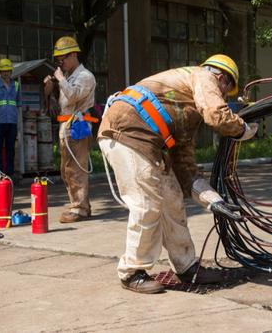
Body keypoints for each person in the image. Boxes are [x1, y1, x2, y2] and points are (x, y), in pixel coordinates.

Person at [97, 54, 258, 294]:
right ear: (222, 79)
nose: (223, 96)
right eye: (225, 91)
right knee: (146, 204)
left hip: (149, 143)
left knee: (172, 200)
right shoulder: (203, 76)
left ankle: (186, 266)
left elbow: (186, 170)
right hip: (127, 132)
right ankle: (132, 272)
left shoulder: (184, 110)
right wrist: (242, 130)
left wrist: (214, 202)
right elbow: (216, 113)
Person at [44, 36, 96, 223]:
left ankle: (80, 208)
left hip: (77, 126)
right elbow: (60, 104)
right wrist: (50, 89)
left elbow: (73, 96)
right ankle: (80, 204)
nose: (61, 63)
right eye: (59, 60)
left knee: (76, 169)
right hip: (66, 126)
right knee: (67, 169)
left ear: (74, 54)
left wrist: (60, 79)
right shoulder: (68, 78)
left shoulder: (85, 76)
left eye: (64, 58)